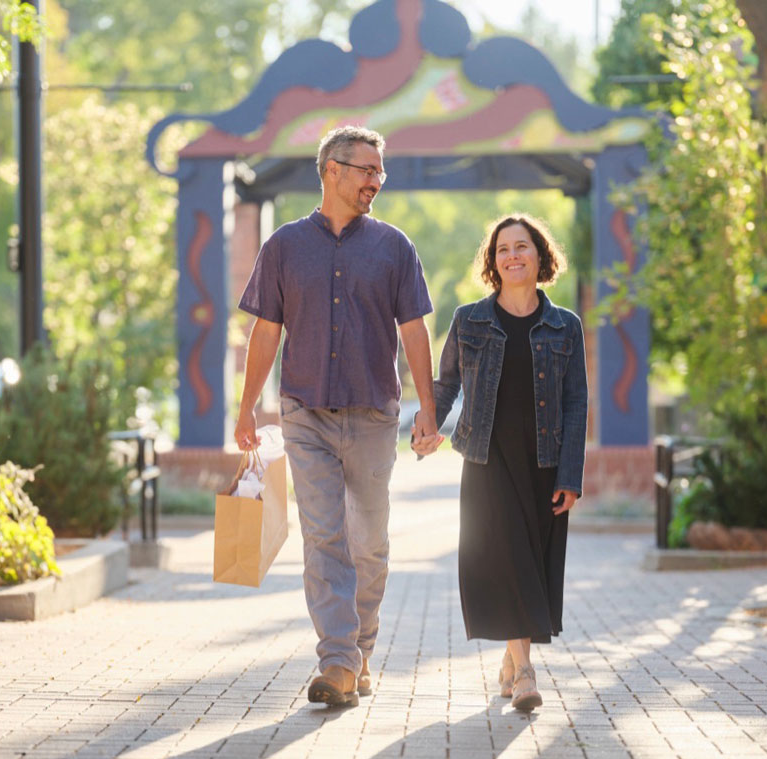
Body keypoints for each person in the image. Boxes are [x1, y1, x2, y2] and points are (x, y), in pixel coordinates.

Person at [234, 126, 444, 708]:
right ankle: (337, 661)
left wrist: (428, 409)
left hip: (374, 414)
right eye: (367, 170)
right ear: (332, 169)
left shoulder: (394, 247)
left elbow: (414, 331)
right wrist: (248, 403)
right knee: (323, 536)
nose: (376, 180)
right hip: (305, 412)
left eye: (381, 172)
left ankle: (361, 651)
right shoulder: (283, 246)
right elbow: (266, 330)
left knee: (368, 543)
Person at [430, 213, 588, 712]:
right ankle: (524, 673)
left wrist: (571, 476)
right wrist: (426, 425)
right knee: (508, 560)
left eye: (522, 247)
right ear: (492, 262)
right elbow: (447, 383)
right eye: (502, 249)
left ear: (541, 256)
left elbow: (575, 403)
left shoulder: (566, 326)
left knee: (531, 565)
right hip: (486, 458)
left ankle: (509, 658)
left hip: (543, 460)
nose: (512, 255)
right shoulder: (469, 319)